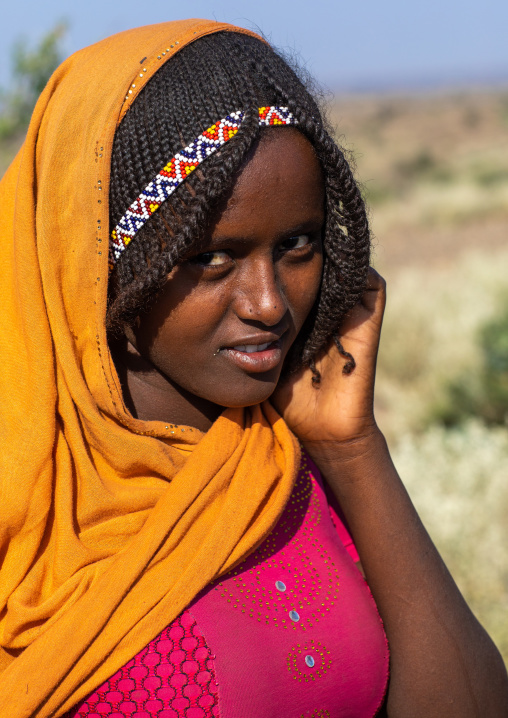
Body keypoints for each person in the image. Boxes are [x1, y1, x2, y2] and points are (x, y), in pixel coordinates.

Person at [0, 18, 506, 718]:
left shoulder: (286, 470)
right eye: (213, 257)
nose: (269, 302)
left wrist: (354, 452)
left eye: (297, 245)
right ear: (100, 266)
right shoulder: (28, 495)